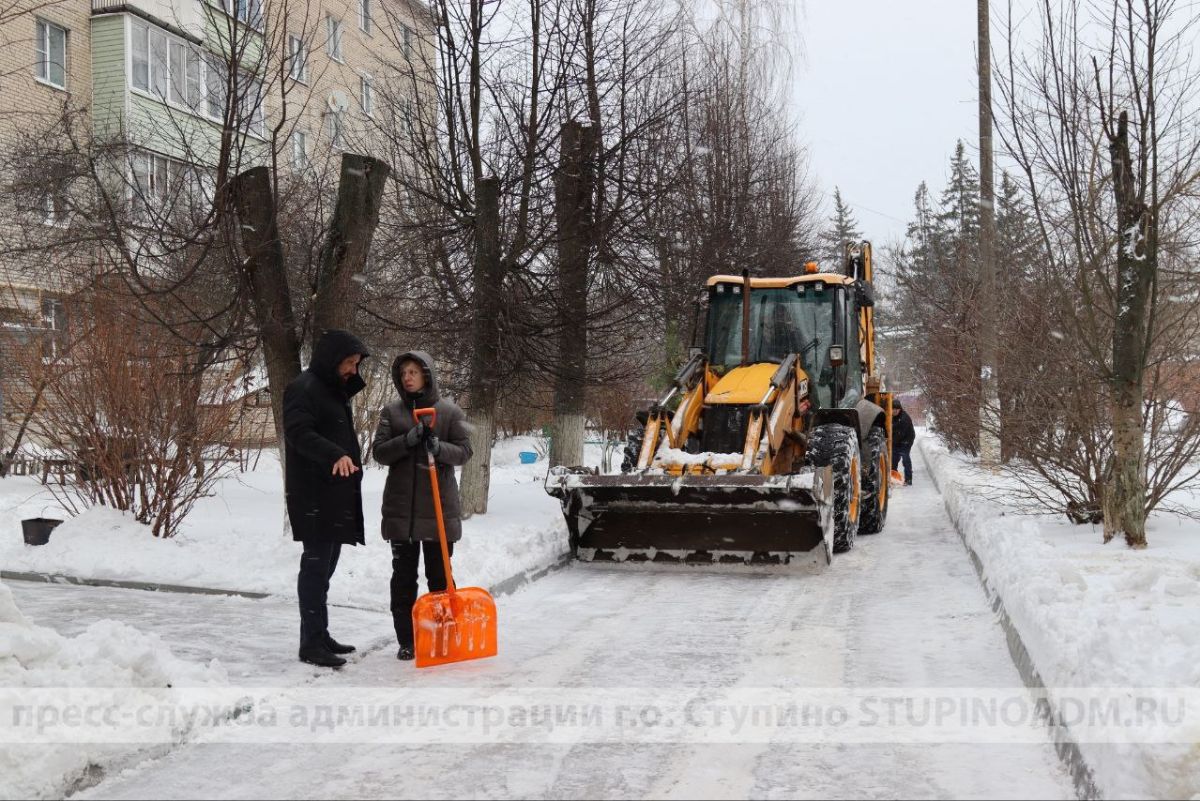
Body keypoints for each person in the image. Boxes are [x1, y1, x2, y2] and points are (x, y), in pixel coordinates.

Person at [373, 351, 472, 661]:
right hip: (401, 513)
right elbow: (379, 453)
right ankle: (407, 640)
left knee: (440, 577)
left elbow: (465, 451)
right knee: (402, 578)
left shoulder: (450, 413)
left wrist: (437, 447)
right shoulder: (392, 412)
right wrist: (408, 440)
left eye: (414, 372)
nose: (408, 377)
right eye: (404, 372)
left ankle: (444, 633)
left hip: (438, 512)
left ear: (427, 375)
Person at [283, 329, 371, 669]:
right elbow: (298, 432)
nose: (353, 370)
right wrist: (335, 454)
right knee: (316, 569)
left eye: (355, 364)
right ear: (332, 359)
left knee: (327, 568)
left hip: (332, 492)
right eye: (349, 363)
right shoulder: (302, 388)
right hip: (314, 493)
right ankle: (310, 644)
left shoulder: (331, 390)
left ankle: (319, 634)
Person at [891, 400, 915, 486]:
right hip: (897, 439)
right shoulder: (890, 417)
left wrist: (892, 441)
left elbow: (900, 434)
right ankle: (893, 477)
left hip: (907, 439)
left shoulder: (904, 418)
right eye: (892, 409)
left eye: (896, 409)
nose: (894, 411)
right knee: (893, 458)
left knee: (905, 458)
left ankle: (908, 479)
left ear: (900, 409)